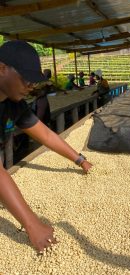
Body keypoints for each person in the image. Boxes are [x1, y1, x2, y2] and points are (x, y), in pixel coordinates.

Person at [0, 40, 92, 252]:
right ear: (2, 68)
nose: (31, 86)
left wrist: (80, 160)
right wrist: (32, 224)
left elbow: (46, 135)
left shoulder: (13, 104)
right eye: (26, 79)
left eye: (34, 81)